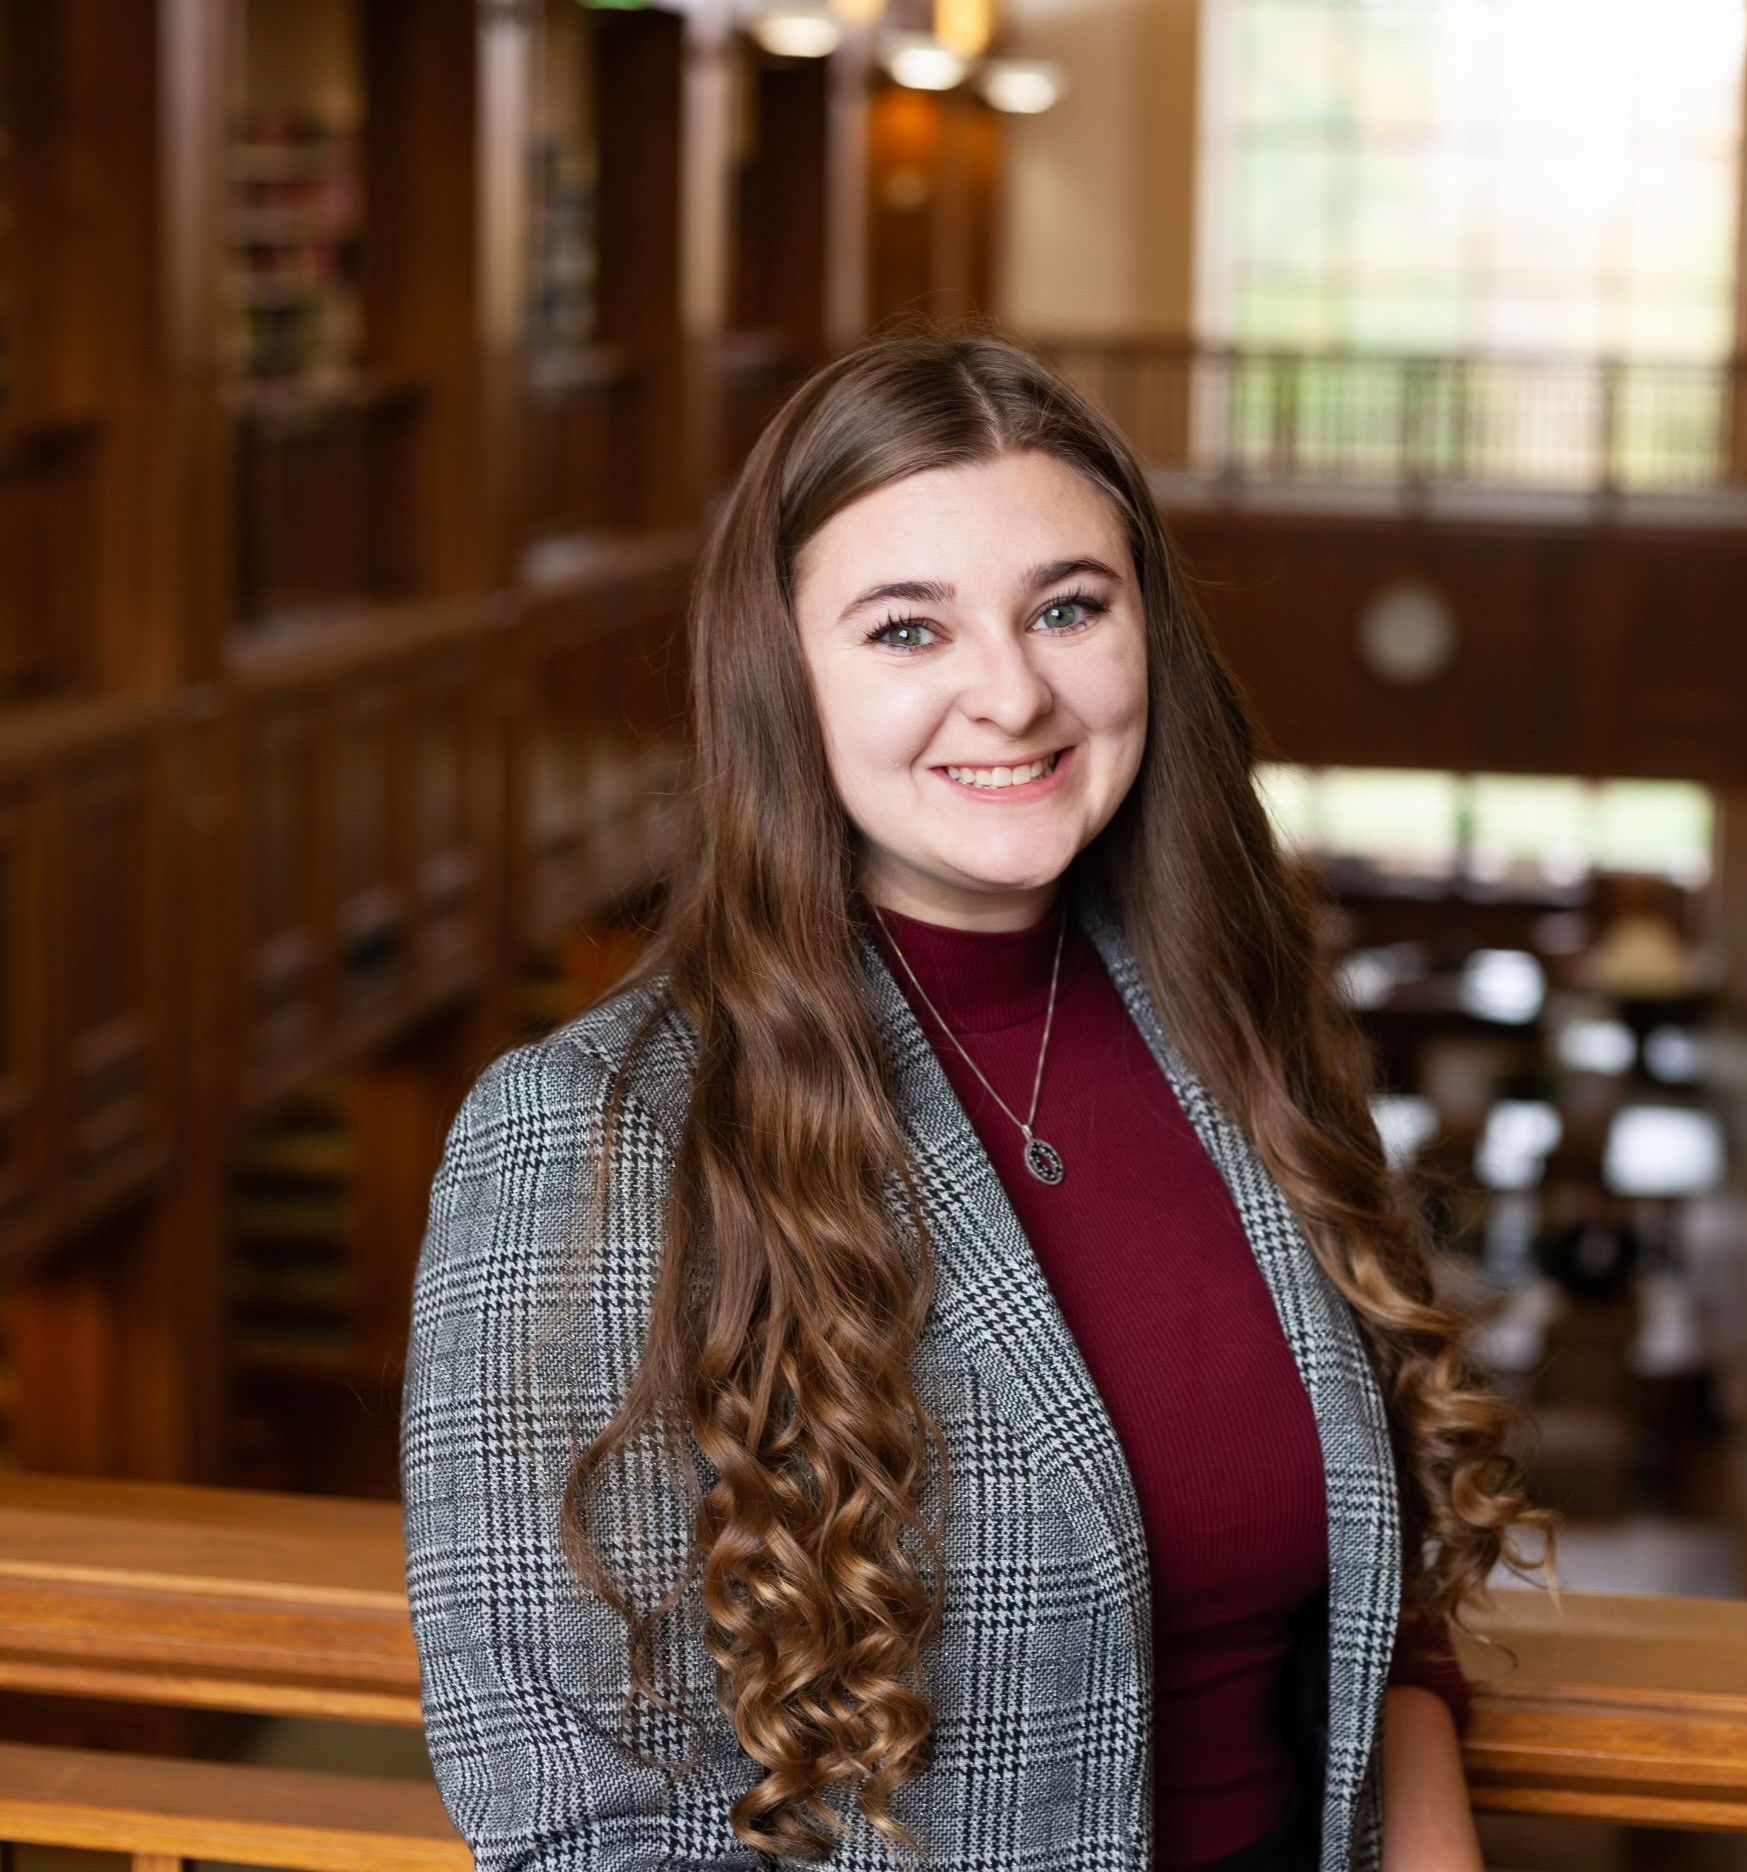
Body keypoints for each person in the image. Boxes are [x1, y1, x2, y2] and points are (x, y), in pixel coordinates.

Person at [400, 328, 1555, 1872]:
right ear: (782, 678)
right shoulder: (590, 1136)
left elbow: (1378, 1587)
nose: (1010, 697)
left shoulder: (1238, 1032)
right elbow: (577, 1822)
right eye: (906, 632)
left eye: (1067, 608)